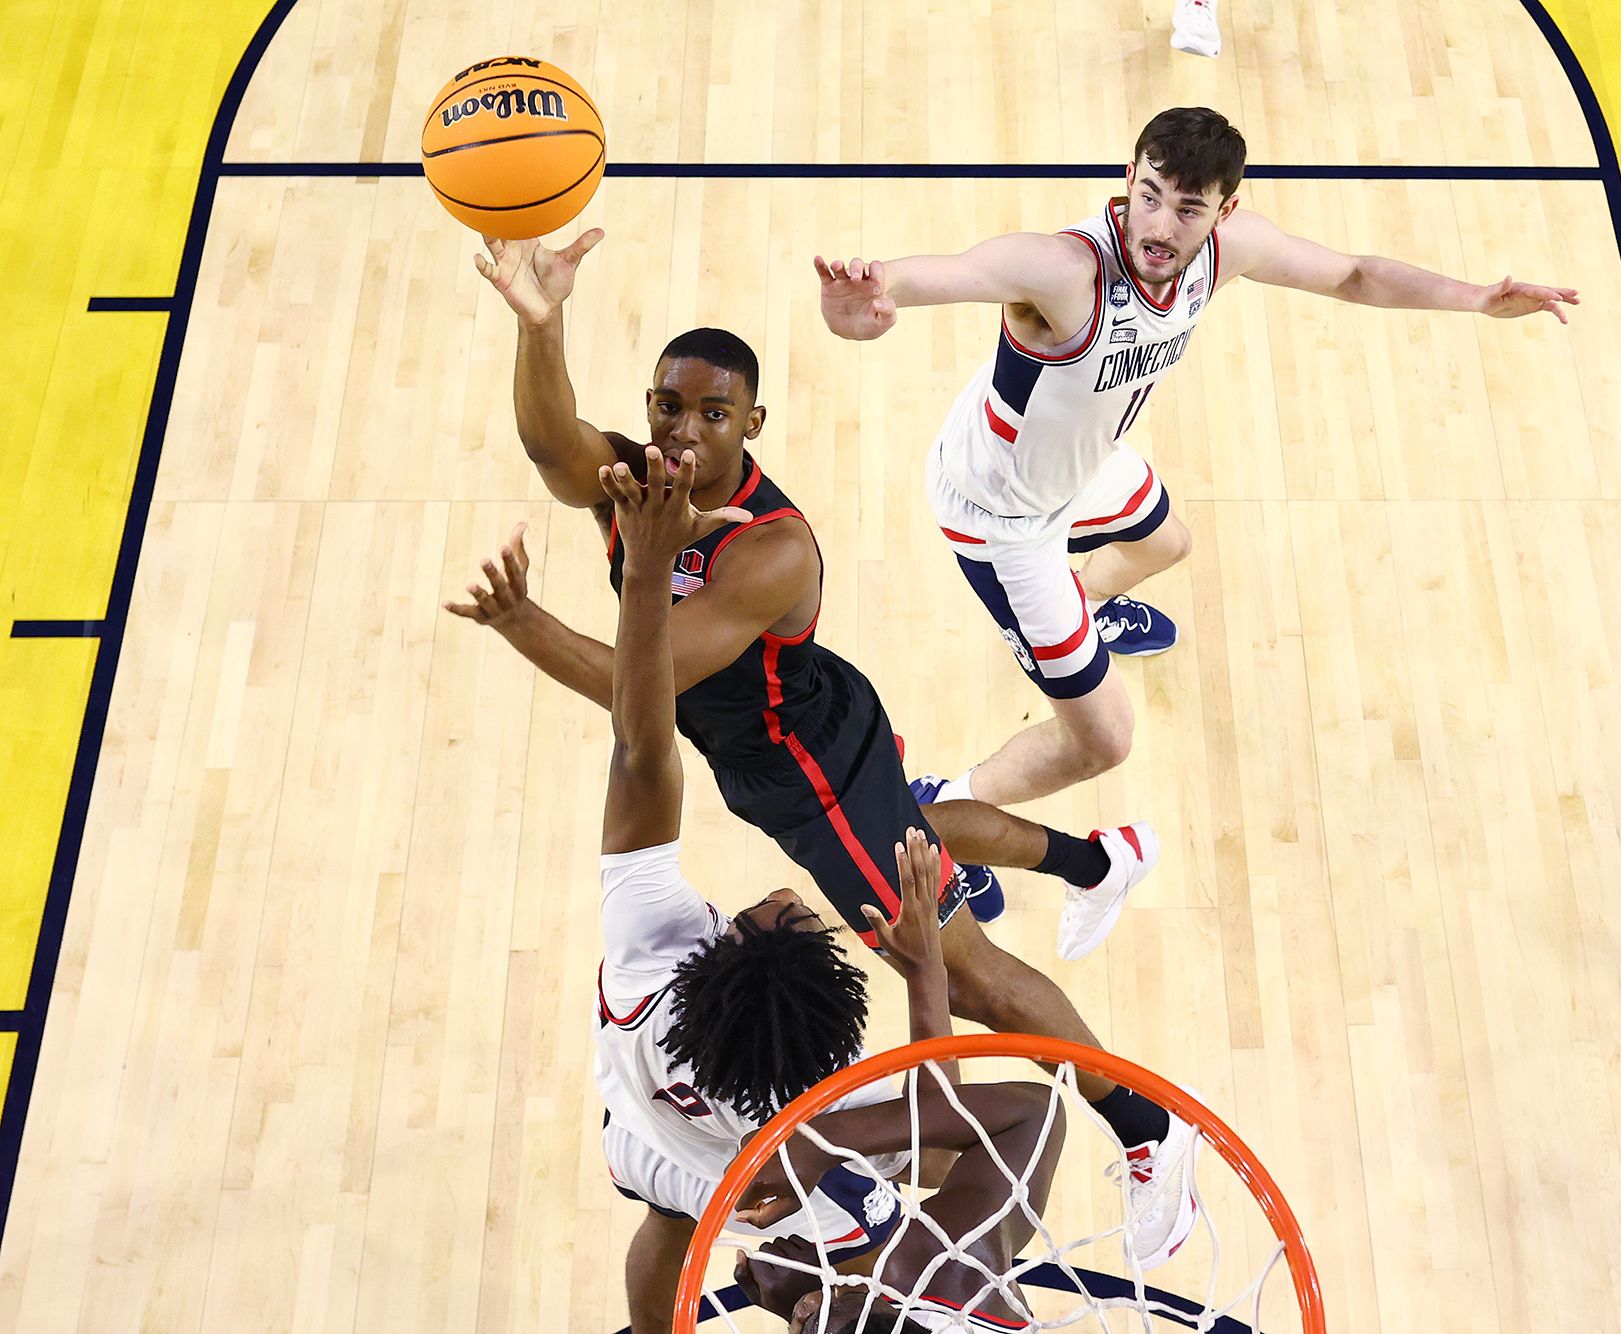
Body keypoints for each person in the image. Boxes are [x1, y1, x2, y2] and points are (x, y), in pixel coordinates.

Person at [461, 244, 1200, 1262]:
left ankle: (1145, 1125)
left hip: (802, 766)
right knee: (919, 831)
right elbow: (552, 446)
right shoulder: (641, 483)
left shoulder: (769, 547)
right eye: (668, 406)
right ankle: (1095, 860)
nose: (682, 430)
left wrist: (522, 620)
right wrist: (537, 327)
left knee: (964, 963)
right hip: (795, 732)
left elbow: (647, 691)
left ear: (749, 426)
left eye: (711, 414)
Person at [815, 105, 1579, 807]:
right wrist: (871, 303)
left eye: (1187, 209)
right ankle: (944, 810)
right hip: (1002, 513)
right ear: (1128, 179)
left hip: (1078, 463)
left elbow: (1352, 275)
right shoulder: (1064, 270)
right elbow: (950, 273)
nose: (1160, 225)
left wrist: (1476, 298)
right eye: (1149, 194)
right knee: (1103, 741)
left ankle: (1078, 613)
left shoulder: (1226, 252)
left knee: (1164, 542)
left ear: (1224, 211)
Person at [590, 442, 911, 1334]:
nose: (795, 896)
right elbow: (944, 1106)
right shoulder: (823, 1095)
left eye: (785, 913)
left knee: (668, 1219)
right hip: (770, 1186)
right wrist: (923, 976)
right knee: (877, 1260)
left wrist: (647, 574)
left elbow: (640, 746)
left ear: (725, 944)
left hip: (655, 1143)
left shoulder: (649, 961)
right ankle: (822, 1308)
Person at [729, 815, 1074, 1334]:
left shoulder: (932, 1270)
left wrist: (805, 1306)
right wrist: (821, 1141)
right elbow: (1034, 1114)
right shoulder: (946, 1272)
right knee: (927, 1156)